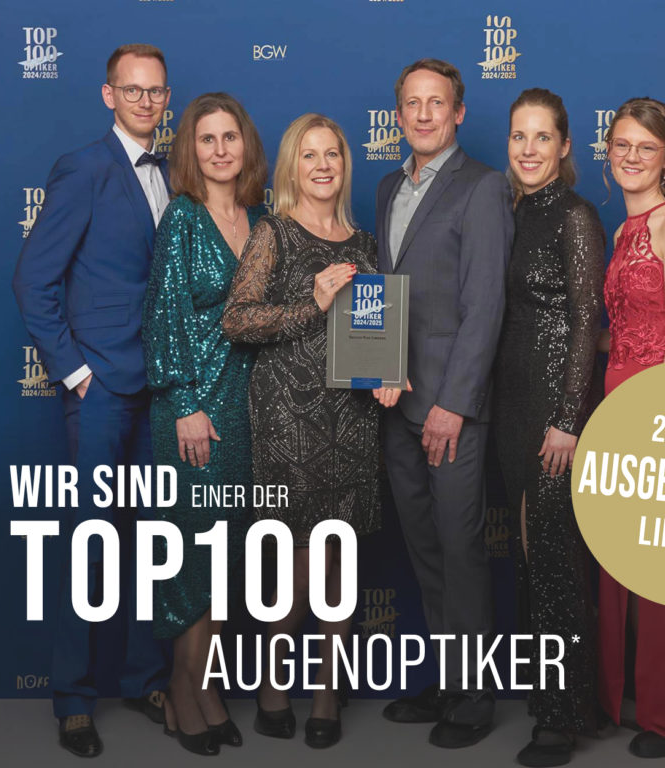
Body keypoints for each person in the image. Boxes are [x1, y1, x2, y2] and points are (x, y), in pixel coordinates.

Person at [11, 43, 173, 758]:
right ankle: (74, 699)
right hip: (102, 388)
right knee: (91, 544)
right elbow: (32, 280)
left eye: (156, 91)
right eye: (132, 90)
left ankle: (144, 679)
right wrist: (75, 374)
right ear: (109, 95)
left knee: (153, 546)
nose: (145, 102)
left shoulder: (173, 173)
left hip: (159, 388)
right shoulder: (83, 168)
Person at [222, 113, 401, 750]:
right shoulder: (273, 232)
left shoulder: (364, 242)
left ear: (345, 165)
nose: (323, 165)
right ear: (292, 168)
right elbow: (238, 320)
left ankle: (327, 692)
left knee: (340, 563)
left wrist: (389, 374)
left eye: (333, 154)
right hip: (288, 418)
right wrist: (313, 303)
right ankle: (273, 688)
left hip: (350, 418)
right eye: (310, 155)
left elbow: (375, 334)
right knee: (301, 562)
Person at [375, 58, 514, 749]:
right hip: (393, 405)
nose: (424, 114)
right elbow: (387, 294)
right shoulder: (385, 188)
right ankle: (448, 679)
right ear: (399, 115)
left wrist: (454, 404)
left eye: (437, 103)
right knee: (425, 550)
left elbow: (484, 305)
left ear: (458, 113)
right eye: (412, 103)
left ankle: (474, 699)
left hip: (449, 409)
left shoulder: (483, 187)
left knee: (460, 553)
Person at [142, 92, 269, 756]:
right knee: (195, 556)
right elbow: (163, 316)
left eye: (230, 137)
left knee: (228, 558)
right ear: (191, 150)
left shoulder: (261, 216)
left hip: (248, 408)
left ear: (246, 145)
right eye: (207, 139)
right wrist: (186, 403)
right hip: (194, 411)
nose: (220, 150)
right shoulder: (183, 219)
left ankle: (205, 689)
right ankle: (180, 692)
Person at [492, 88, 604, 767]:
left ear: (564, 146)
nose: (528, 149)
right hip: (512, 407)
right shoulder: (513, 213)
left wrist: (567, 419)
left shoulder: (575, 216)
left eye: (542, 137)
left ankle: (563, 719)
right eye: (518, 136)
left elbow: (588, 321)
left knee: (556, 559)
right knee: (533, 559)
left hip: (555, 412)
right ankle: (555, 699)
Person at [597, 98, 665, 759]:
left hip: (659, 406)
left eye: (645, 147)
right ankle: (618, 699)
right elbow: (620, 330)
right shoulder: (620, 231)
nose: (631, 156)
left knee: (664, 572)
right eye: (621, 145)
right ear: (608, 154)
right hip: (615, 398)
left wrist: (659, 424)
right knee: (621, 565)